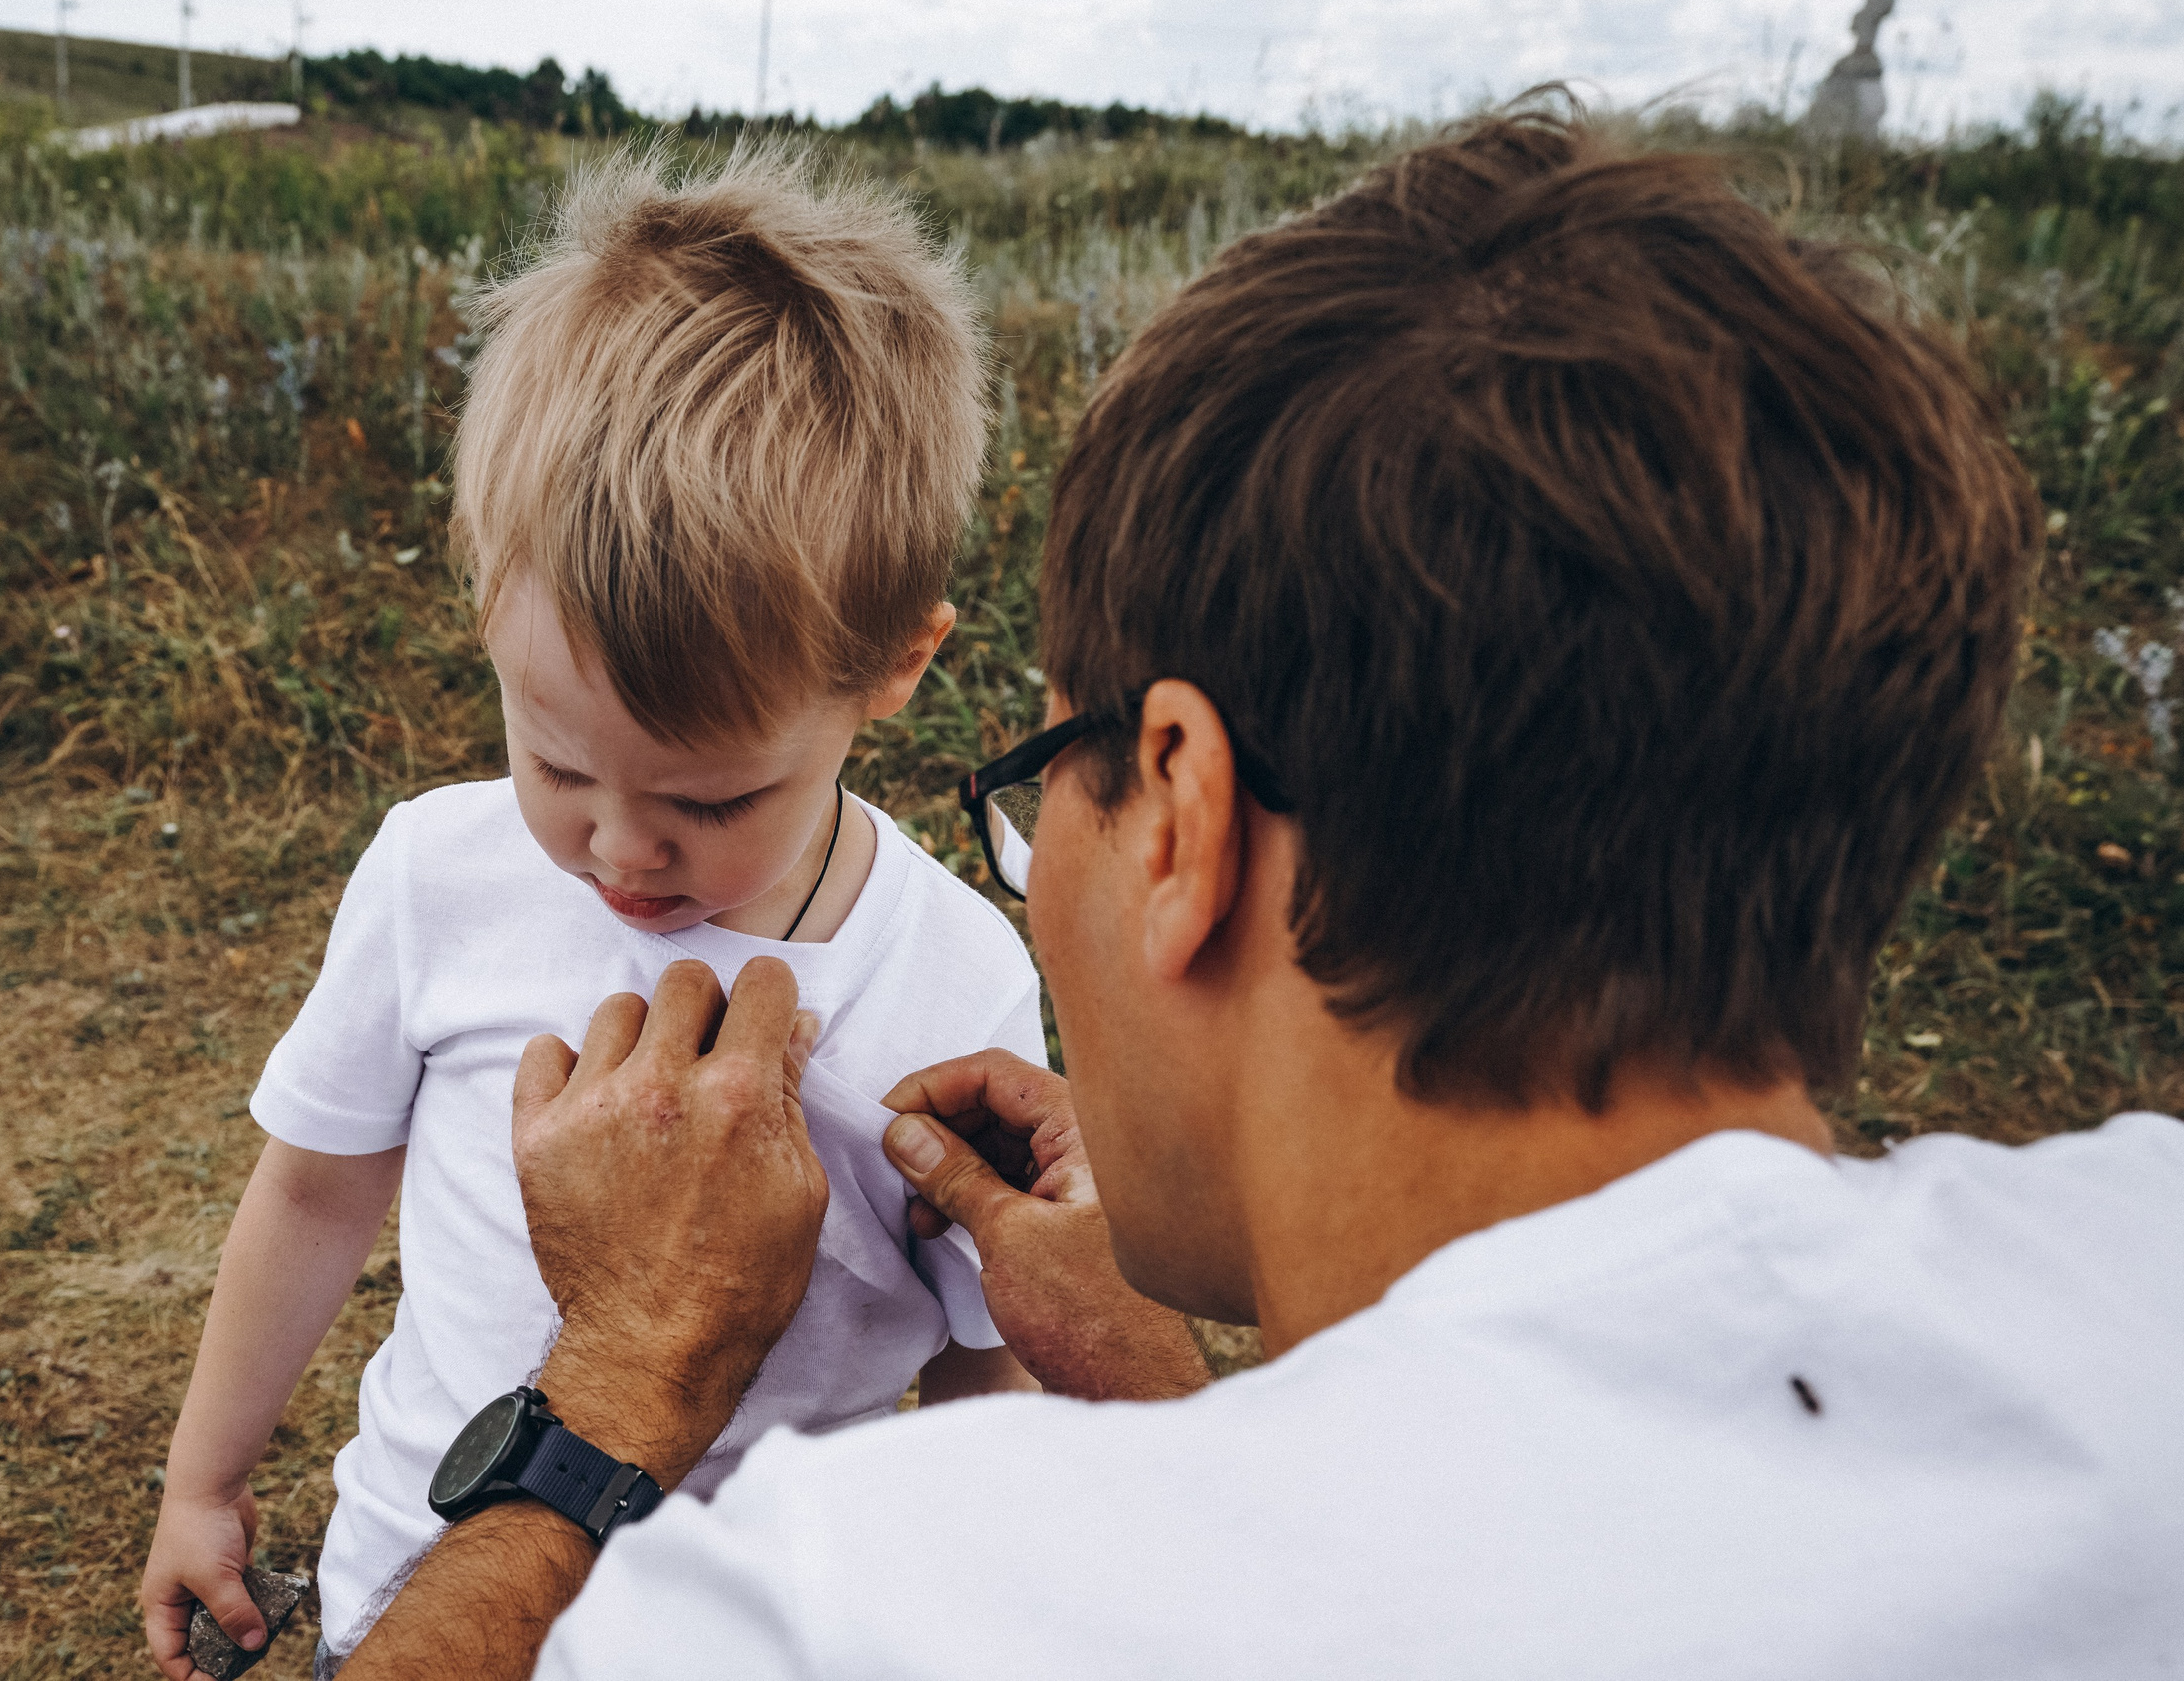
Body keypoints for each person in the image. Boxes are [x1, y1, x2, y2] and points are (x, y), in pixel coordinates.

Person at [338, 109, 2184, 1678]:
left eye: (1037, 782)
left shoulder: (858, 1615)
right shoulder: (2137, 1297)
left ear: (1184, 817)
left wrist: (619, 1386)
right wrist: (1162, 1394)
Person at [138, 149, 1056, 1681]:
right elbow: (312, 1193)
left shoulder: (956, 982)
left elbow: (983, 1353)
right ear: (488, 603)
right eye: (558, 764)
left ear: (896, 667)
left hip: (754, 1647)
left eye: (713, 799)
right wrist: (201, 1483)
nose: (620, 849)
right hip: (417, 1596)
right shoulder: (438, 876)